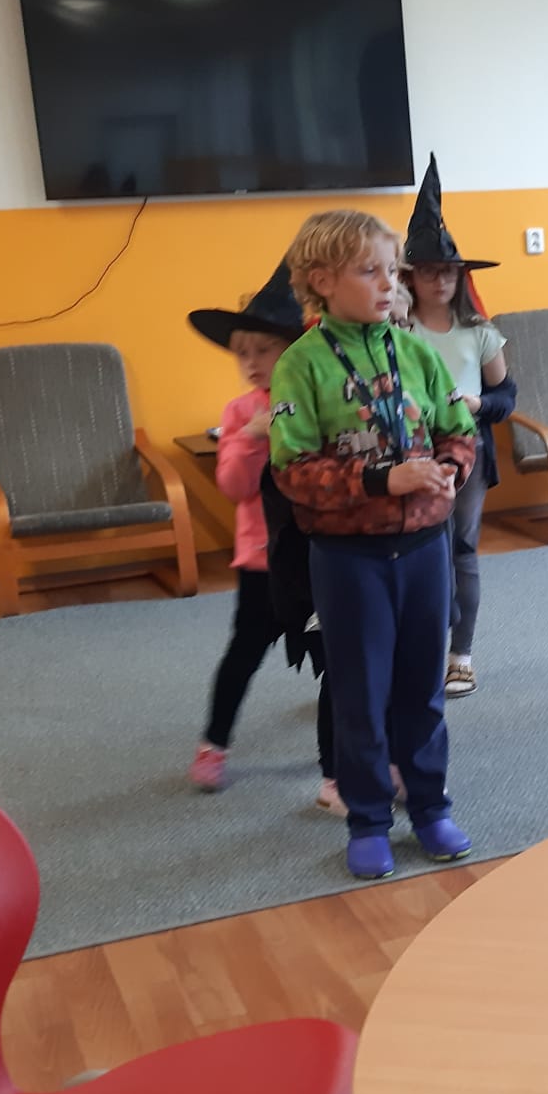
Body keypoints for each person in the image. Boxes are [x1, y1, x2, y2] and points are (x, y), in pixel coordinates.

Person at [268, 208, 478, 880]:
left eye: (394, 271)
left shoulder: (416, 352)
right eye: (370, 271)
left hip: (424, 552)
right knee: (359, 695)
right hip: (348, 559)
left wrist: (449, 472)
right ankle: (366, 820)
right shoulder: (300, 366)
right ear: (322, 281)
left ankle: (430, 807)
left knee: (423, 689)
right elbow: (292, 471)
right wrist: (385, 479)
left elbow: (459, 430)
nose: (391, 284)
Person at [186, 266, 336, 800]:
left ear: (293, 350)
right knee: (243, 653)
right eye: (242, 353)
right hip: (261, 563)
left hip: (318, 558)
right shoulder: (239, 412)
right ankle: (214, 742)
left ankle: (336, 770)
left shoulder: (321, 401)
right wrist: (253, 436)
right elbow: (233, 486)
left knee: (335, 661)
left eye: (264, 350)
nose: (251, 363)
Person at [399, 155, 517, 697]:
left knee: (462, 549)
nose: (440, 280)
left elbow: (506, 396)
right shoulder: (396, 333)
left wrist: (477, 403)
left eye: (448, 272)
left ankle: (460, 655)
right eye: (428, 271)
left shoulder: (480, 332)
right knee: (418, 552)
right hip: (407, 456)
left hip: (469, 453)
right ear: (409, 277)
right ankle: (416, 653)